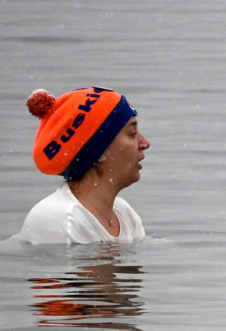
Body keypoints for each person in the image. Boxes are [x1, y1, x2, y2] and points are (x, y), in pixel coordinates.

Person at [15, 86, 150, 244]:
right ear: (99, 151)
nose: (145, 143)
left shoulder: (125, 215)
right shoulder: (61, 219)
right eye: (132, 133)